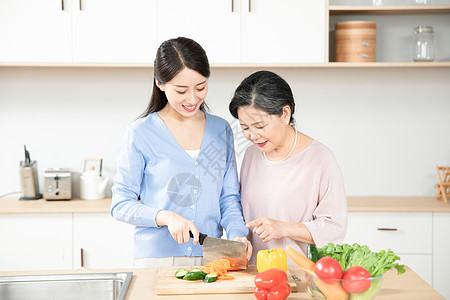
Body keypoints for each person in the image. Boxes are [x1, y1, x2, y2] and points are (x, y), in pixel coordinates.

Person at [111, 37, 251, 268]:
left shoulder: (221, 130)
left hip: (212, 258)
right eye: (181, 90)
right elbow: (120, 205)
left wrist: (237, 235)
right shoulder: (140, 133)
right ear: (160, 83)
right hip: (157, 260)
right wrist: (166, 217)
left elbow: (228, 198)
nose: (192, 99)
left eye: (201, 87)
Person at [229, 70, 347, 265]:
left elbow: (334, 227)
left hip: (297, 275)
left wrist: (283, 228)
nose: (252, 135)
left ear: (285, 113)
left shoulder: (320, 158)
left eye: (259, 126)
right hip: (252, 273)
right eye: (245, 127)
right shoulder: (252, 154)